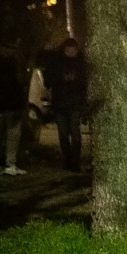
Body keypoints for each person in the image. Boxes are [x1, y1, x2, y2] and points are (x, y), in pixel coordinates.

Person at [45, 38, 87, 171]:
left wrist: (76, 80)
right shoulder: (56, 62)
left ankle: (75, 162)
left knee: (75, 135)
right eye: (68, 50)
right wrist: (60, 78)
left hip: (74, 103)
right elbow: (48, 80)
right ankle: (67, 159)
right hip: (60, 104)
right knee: (63, 135)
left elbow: (85, 81)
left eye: (73, 50)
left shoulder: (81, 62)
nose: (71, 52)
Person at [0, 40, 27, 175]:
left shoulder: (16, 63)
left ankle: (9, 164)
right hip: (11, 104)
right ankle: (10, 164)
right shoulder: (15, 64)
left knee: (12, 135)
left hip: (12, 105)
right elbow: (19, 83)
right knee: (12, 135)